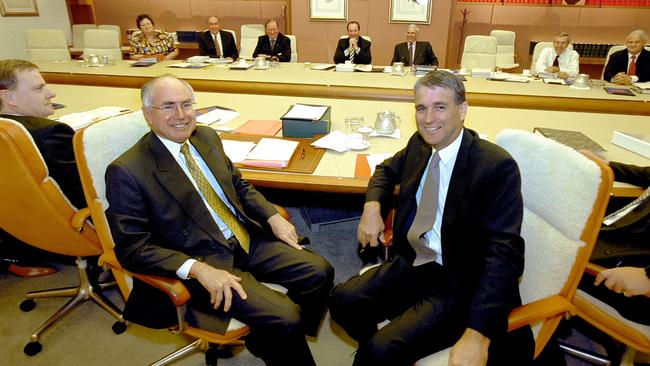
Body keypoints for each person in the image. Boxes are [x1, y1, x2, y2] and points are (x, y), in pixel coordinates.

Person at [105, 75, 333, 366]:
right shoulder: (128, 170)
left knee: (319, 272)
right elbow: (132, 248)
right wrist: (197, 269)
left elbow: (239, 186)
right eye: (169, 106)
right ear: (148, 114)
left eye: (187, 104)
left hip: (243, 236)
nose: (181, 115)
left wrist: (271, 216)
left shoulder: (206, 136)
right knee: (286, 317)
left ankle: (268, 338)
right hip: (202, 257)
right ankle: (281, 335)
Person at [329, 70, 533, 366]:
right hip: (413, 260)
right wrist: (372, 207)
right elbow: (386, 170)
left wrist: (478, 333)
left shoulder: (495, 166)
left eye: (440, 107)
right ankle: (386, 346)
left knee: (378, 353)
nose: (428, 119)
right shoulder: (421, 144)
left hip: (457, 280)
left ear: (462, 110)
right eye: (421, 108)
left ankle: (381, 352)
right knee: (342, 301)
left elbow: (504, 254)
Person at [0, 59, 85, 275]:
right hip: (72, 230)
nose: (51, 93)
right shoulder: (50, 132)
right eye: (39, 88)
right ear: (8, 97)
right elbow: (86, 191)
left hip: (24, 230)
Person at [580, 162, 650, 325]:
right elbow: (642, 174)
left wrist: (647, 277)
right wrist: (603, 165)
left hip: (632, 281)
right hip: (620, 240)